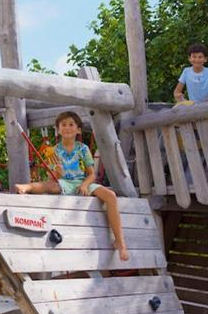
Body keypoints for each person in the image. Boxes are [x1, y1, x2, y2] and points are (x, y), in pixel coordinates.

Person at [14, 112, 129, 261]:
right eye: (63, 125)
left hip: (82, 182)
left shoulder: (83, 148)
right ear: (58, 130)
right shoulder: (54, 151)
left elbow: (92, 174)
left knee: (111, 196)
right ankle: (27, 187)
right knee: (50, 186)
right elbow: (52, 179)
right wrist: (58, 172)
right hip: (64, 183)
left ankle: (120, 241)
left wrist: (85, 185)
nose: (67, 127)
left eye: (71, 124)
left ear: (78, 130)